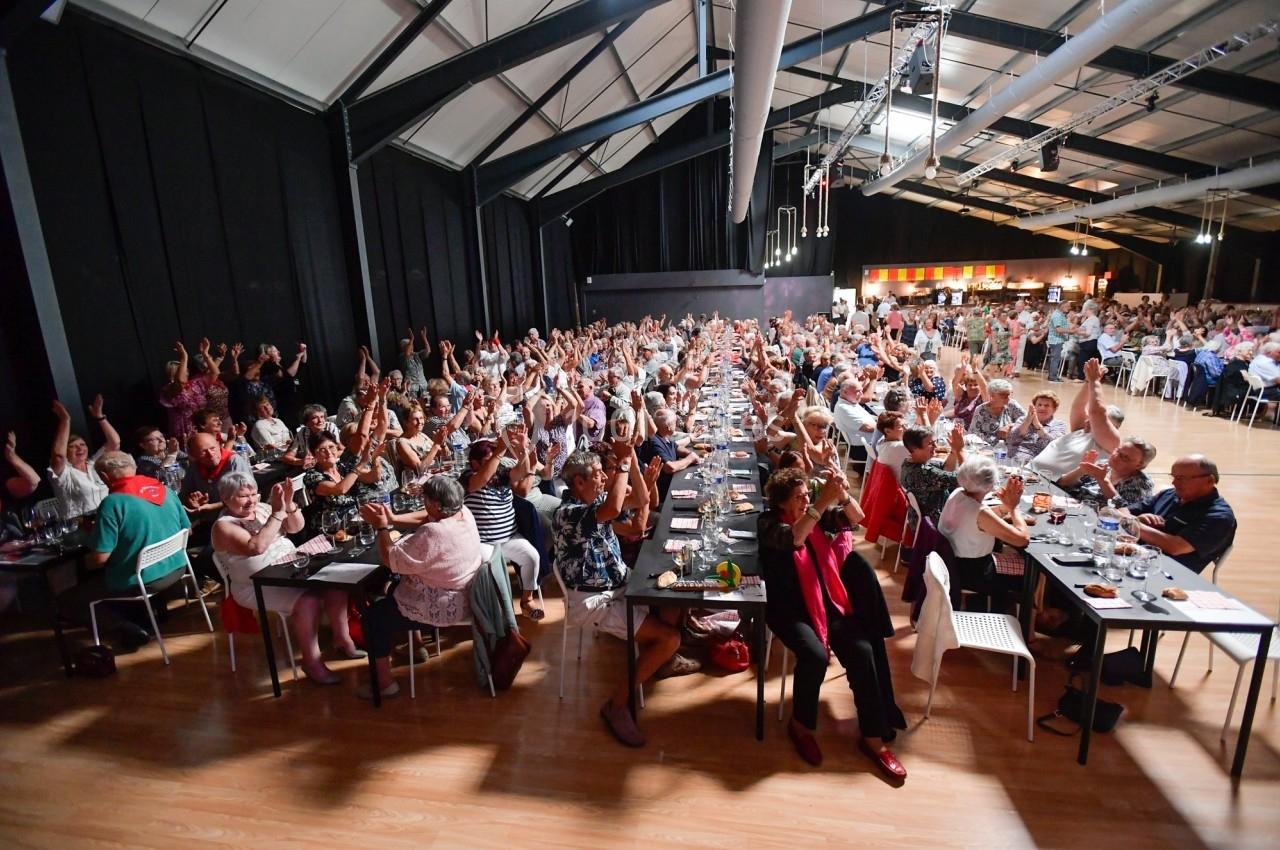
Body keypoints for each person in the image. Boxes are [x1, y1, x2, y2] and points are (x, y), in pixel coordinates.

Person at [759, 467, 906, 779]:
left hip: (826, 601)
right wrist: (820, 502)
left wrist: (841, 494)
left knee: (862, 651)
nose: (804, 501)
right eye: (797, 498)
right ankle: (801, 725)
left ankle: (873, 738)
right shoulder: (768, 523)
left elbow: (856, 517)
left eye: (806, 496)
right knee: (813, 656)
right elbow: (795, 537)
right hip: (790, 609)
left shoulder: (817, 516)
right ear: (781, 503)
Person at [553, 447, 680, 748]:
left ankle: (662, 661)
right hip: (594, 600)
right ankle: (617, 705)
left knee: (674, 599)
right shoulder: (568, 514)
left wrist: (632, 459)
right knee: (669, 638)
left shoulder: (595, 501)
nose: (603, 478)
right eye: (597, 474)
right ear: (579, 483)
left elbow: (639, 503)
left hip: (620, 584)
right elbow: (613, 510)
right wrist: (623, 463)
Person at [211, 472, 360, 683]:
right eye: (243, 496)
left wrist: (289, 505)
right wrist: (278, 513)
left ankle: (342, 640)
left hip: (291, 571)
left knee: (335, 583)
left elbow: (295, 527)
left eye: (253, 494)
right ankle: (312, 662)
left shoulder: (262, 509)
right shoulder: (224, 526)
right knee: (308, 601)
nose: (251, 500)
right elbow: (256, 547)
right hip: (256, 585)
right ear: (226, 499)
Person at [357, 475, 485, 699]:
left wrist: (382, 527)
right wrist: (394, 518)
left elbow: (391, 559)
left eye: (425, 498)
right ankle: (415, 644)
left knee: (373, 616)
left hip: (443, 606)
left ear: (436, 504)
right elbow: (427, 518)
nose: (423, 503)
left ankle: (384, 684)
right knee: (394, 586)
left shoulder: (433, 533)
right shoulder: (463, 513)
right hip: (467, 593)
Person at [57, 452, 190, 649]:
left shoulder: (113, 504)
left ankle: (127, 628)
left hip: (143, 580)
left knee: (68, 599)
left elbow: (100, 558)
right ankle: (139, 621)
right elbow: (188, 529)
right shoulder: (164, 490)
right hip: (178, 567)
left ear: (104, 477)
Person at [462, 428, 546, 621]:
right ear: (475, 463)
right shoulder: (468, 477)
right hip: (483, 543)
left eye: (495, 461)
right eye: (487, 462)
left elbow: (522, 471)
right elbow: (478, 482)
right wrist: (500, 450)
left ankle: (526, 601)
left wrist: (523, 450)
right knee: (491, 570)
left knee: (532, 557)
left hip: (509, 538)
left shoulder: (501, 474)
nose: (494, 466)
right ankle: (496, 613)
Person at [937, 456, 1029, 612]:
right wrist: (1014, 508)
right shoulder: (979, 512)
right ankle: (1034, 618)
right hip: (973, 574)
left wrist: (1004, 507)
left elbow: (979, 519)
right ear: (990, 485)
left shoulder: (958, 493)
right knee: (1031, 574)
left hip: (953, 564)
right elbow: (1022, 539)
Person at [1126, 455, 1236, 574]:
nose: (1174, 482)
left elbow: (1176, 547)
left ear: (1209, 480)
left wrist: (1134, 524)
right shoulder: (1169, 494)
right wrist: (1137, 519)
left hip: (1168, 576)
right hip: (1135, 560)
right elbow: (1122, 511)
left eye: (1181, 478)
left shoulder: (1219, 517)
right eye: (1173, 477)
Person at [48, 396, 120, 519]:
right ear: (66, 452)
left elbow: (114, 443)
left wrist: (100, 417)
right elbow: (59, 457)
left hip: (107, 519)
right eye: (73, 446)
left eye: (82, 444)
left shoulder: (94, 464)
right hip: (79, 526)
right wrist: (65, 420)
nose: (80, 448)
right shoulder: (64, 473)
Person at [1057, 437, 1156, 507]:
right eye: (1118, 451)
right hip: (1073, 509)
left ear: (1139, 465)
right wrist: (1082, 469)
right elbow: (1062, 483)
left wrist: (1103, 480)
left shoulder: (1142, 484)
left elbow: (1126, 514)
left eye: (1124, 457)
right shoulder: (1104, 465)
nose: (1116, 457)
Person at [900, 424, 965, 523]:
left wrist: (954, 450)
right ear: (915, 448)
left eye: (935, 442)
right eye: (931, 443)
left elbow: (946, 468)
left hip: (919, 518)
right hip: (934, 524)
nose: (936, 446)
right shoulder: (923, 473)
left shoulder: (908, 462)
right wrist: (960, 451)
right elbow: (966, 478)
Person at [182, 432, 251, 518]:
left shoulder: (233, 461)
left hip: (234, 517)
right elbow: (184, 494)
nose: (210, 454)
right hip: (206, 520)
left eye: (212, 448)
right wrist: (192, 501)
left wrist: (212, 506)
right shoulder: (195, 466)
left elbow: (245, 496)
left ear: (219, 445)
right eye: (203, 452)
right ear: (193, 455)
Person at [637, 408, 699, 501]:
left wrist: (690, 453)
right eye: (675, 422)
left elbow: (676, 447)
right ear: (668, 427)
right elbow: (669, 467)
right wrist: (690, 459)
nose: (676, 424)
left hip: (672, 486)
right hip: (664, 496)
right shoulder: (654, 442)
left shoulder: (663, 436)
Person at [1005, 391, 1067, 464]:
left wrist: (1037, 425)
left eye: (1046, 405)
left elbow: (1053, 445)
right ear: (1034, 407)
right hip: (1017, 458)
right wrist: (1028, 421)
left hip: (1042, 461)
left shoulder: (1059, 425)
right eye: (1039, 405)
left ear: (1054, 409)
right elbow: (1012, 438)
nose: (1042, 408)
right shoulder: (1023, 419)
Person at [968, 379, 1026, 446]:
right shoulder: (981, 410)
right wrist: (997, 436)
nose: (1007, 398)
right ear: (992, 395)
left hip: (1010, 446)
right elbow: (973, 434)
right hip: (986, 448)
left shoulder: (1012, 405)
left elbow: (1028, 419)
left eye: (1008, 395)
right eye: (1003, 395)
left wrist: (1011, 426)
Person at [281, 404, 340, 469]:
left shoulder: (330, 427)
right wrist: (302, 461)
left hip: (333, 465)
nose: (320, 421)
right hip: (313, 469)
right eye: (315, 418)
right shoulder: (302, 433)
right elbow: (287, 457)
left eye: (322, 417)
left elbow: (342, 449)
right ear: (306, 422)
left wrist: (320, 460)